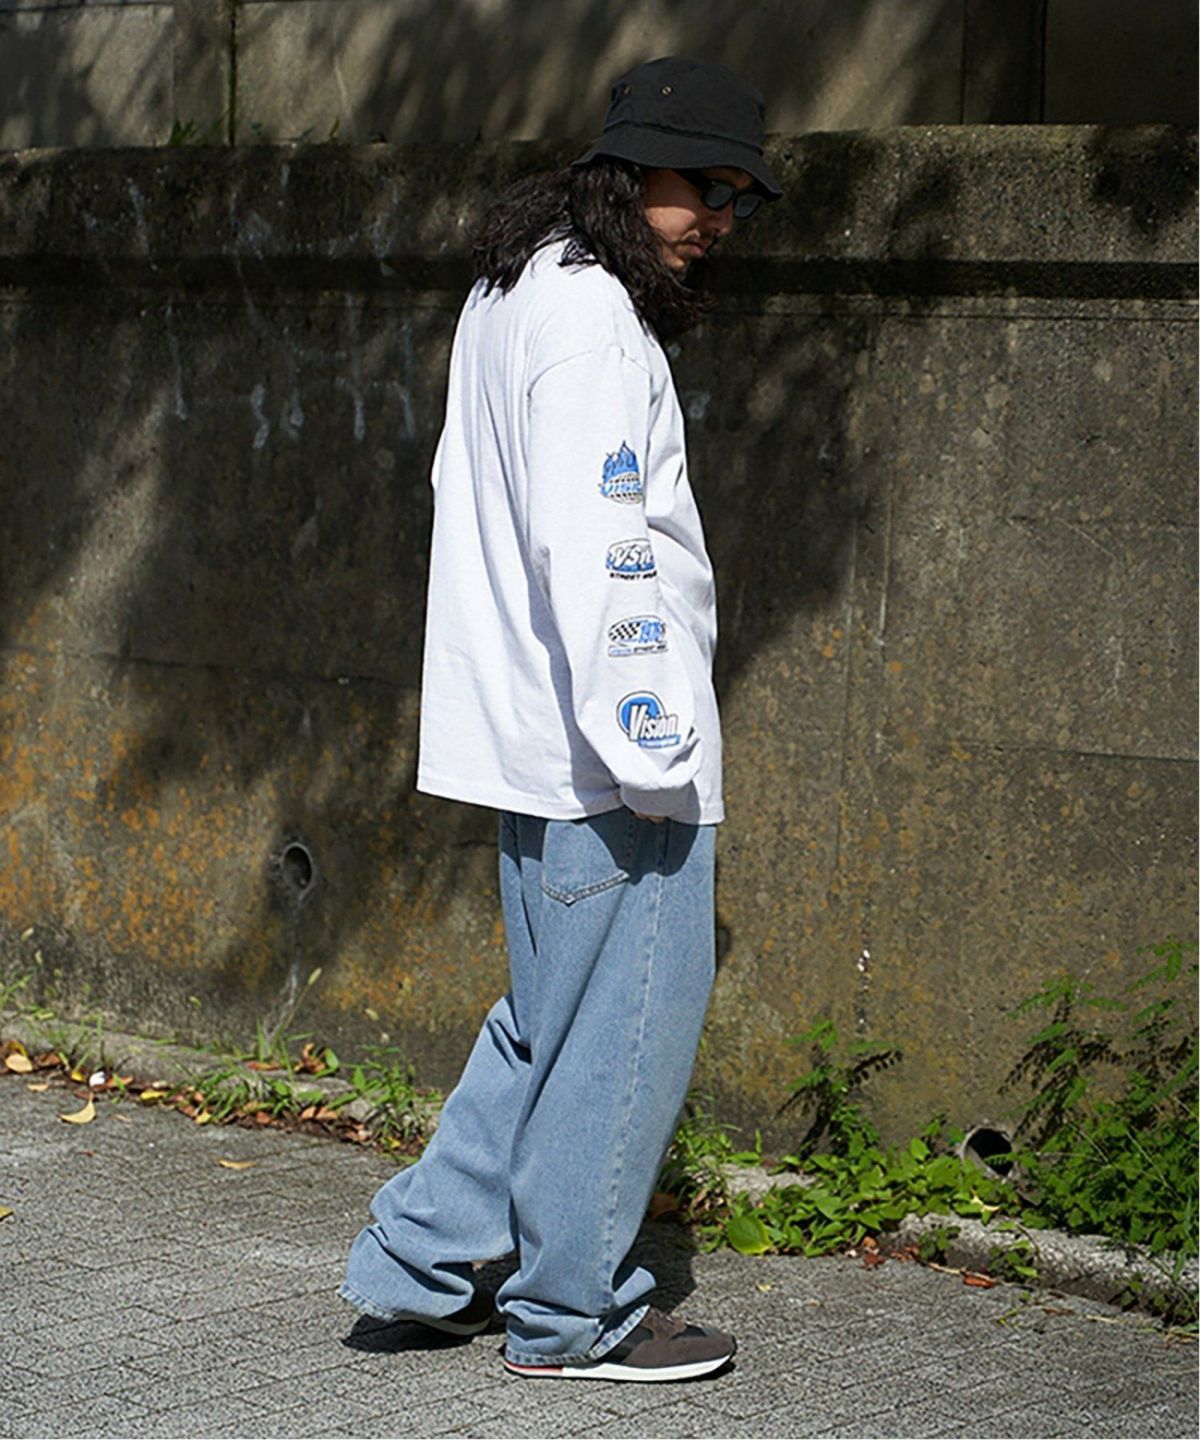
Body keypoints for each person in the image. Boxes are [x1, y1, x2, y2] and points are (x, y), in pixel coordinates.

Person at [340, 55, 781, 1383]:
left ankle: (417, 1264)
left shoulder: (520, 281)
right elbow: (602, 550)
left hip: (539, 740)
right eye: (701, 186)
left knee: (549, 1021)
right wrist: (657, 748)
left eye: (740, 196)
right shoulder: (591, 320)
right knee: (624, 1035)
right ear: (627, 169)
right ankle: (571, 1314)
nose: (717, 217)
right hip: (608, 754)